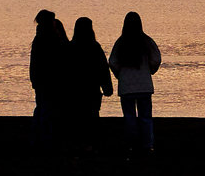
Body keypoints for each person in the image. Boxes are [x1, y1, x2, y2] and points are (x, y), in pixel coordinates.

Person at [108, 11, 161, 154]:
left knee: (129, 117)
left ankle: (131, 144)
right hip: (144, 85)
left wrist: (119, 74)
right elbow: (156, 59)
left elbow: (112, 62)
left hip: (126, 86)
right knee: (145, 117)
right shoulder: (146, 41)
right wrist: (150, 70)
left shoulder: (121, 42)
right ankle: (147, 145)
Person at [67, 16, 113, 152]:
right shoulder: (94, 46)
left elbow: (65, 69)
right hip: (91, 90)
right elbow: (103, 68)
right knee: (91, 117)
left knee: (76, 118)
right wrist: (107, 87)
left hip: (74, 90)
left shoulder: (70, 47)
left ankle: (77, 144)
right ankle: (89, 144)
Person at [29, 9, 66, 148]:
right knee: (50, 110)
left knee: (42, 108)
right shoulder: (53, 39)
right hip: (53, 81)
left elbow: (34, 63)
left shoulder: (39, 39)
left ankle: (39, 138)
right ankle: (47, 139)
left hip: (42, 81)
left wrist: (34, 79)